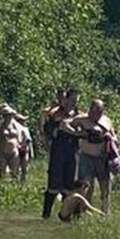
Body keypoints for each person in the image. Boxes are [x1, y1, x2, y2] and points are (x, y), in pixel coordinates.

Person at [72, 98, 117, 215]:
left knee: (105, 186)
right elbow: (67, 125)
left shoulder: (107, 121)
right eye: (94, 111)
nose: (96, 114)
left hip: (103, 158)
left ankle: (105, 212)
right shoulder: (81, 119)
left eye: (99, 111)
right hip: (87, 156)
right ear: (89, 110)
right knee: (86, 186)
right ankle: (84, 211)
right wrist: (80, 133)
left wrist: (110, 138)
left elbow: (114, 136)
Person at [42, 88, 80, 219]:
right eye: (72, 100)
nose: (74, 103)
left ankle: (65, 214)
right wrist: (58, 127)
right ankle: (46, 214)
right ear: (66, 99)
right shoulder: (55, 114)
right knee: (54, 182)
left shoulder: (78, 115)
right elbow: (47, 130)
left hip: (72, 151)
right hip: (58, 150)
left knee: (69, 184)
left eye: (76, 100)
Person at [0, 103, 33, 182]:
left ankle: (15, 188)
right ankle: (1, 188)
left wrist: (25, 146)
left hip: (13, 151)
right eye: (5, 115)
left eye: (9, 115)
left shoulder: (18, 126)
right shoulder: (0, 125)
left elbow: (25, 136)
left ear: (12, 115)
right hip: (2, 151)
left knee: (15, 172)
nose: (7, 117)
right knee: (2, 172)